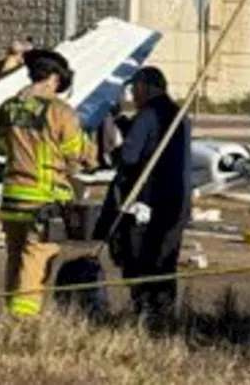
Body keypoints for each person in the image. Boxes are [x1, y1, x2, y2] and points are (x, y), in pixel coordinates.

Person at [0, 49, 96, 319]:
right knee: (37, 258)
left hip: (12, 197)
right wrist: (91, 156)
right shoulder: (60, 111)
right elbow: (76, 151)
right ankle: (22, 320)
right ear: (51, 78)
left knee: (16, 256)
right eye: (59, 82)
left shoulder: (9, 107)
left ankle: (10, 310)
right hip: (44, 199)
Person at [100, 65, 192, 326]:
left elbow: (130, 156)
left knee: (140, 261)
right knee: (165, 263)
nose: (133, 96)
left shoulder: (148, 115)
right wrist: (123, 123)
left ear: (144, 87)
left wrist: (111, 155)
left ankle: (144, 315)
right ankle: (164, 317)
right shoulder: (178, 115)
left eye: (134, 89)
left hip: (148, 203)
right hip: (177, 203)